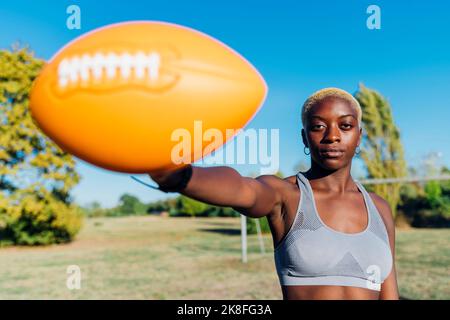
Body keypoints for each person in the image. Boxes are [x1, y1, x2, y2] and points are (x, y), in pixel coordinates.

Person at [148, 87, 399, 300]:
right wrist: (181, 177)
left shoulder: (379, 207)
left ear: (359, 136)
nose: (332, 136)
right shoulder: (287, 195)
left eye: (345, 126)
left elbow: (390, 292)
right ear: (304, 137)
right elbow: (243, 190)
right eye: (318, 126)